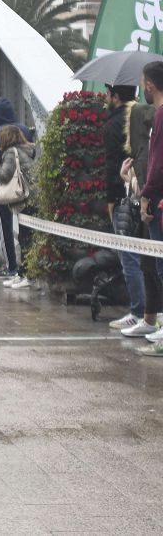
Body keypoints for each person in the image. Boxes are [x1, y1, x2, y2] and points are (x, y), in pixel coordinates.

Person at [102, 84, 148, 329]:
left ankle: (138, 311)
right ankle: (152, 312)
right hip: (147, 192)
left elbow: (111, 166)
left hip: (124, 194)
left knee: (128, 255)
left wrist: (111, 201)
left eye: (108, 94)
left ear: (116, 97)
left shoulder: (113, 124)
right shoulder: (144, 117)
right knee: (149, 258)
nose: (106, 98)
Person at [0, 98, 35, 283]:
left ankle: (11, 266)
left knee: (4, 227)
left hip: (4, 189)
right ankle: (26, 270)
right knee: (25, 231)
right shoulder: (26, 130)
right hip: (24, 189)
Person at [133, 61, 163, 348]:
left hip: (158, 200)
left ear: (151, 85)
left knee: (160, 262)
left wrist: (145, 195)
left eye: (143, 83)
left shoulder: (160, 116)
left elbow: (156, 163)